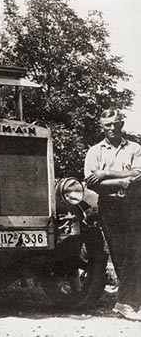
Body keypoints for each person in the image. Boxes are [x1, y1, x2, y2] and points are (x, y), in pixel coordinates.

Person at [84, 108, 141, 320]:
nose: (112, 128)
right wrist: (121, 181)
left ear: (122, 124)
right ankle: (126, 302)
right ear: (102, 127)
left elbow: (138, 173)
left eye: (115, 123)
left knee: (136, 252)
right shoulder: (95, 151)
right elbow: (92, 182)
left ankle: (127, 301)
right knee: (119, 253)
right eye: (107, 125)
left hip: (134, 205)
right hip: (110, 206)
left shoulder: (134, 148)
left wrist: (106, 173)